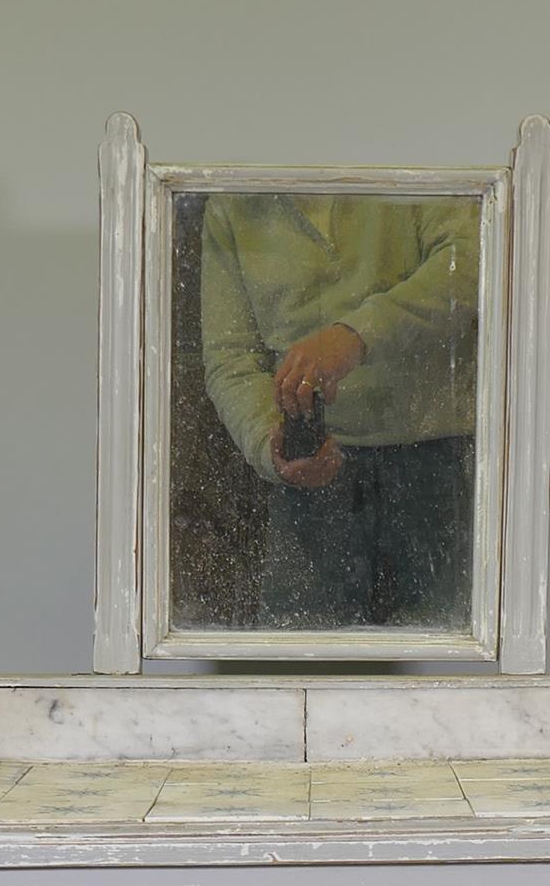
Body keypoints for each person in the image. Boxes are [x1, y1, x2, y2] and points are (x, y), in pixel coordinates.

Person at [199, 193, 480, 627]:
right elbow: (231, 358)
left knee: (448, 675)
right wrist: (270, 442)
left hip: (440, 460)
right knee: (298, 675)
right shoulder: (233, 201)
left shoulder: (412, 164)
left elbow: (476, 267)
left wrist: (356, 336)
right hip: (310, 474)